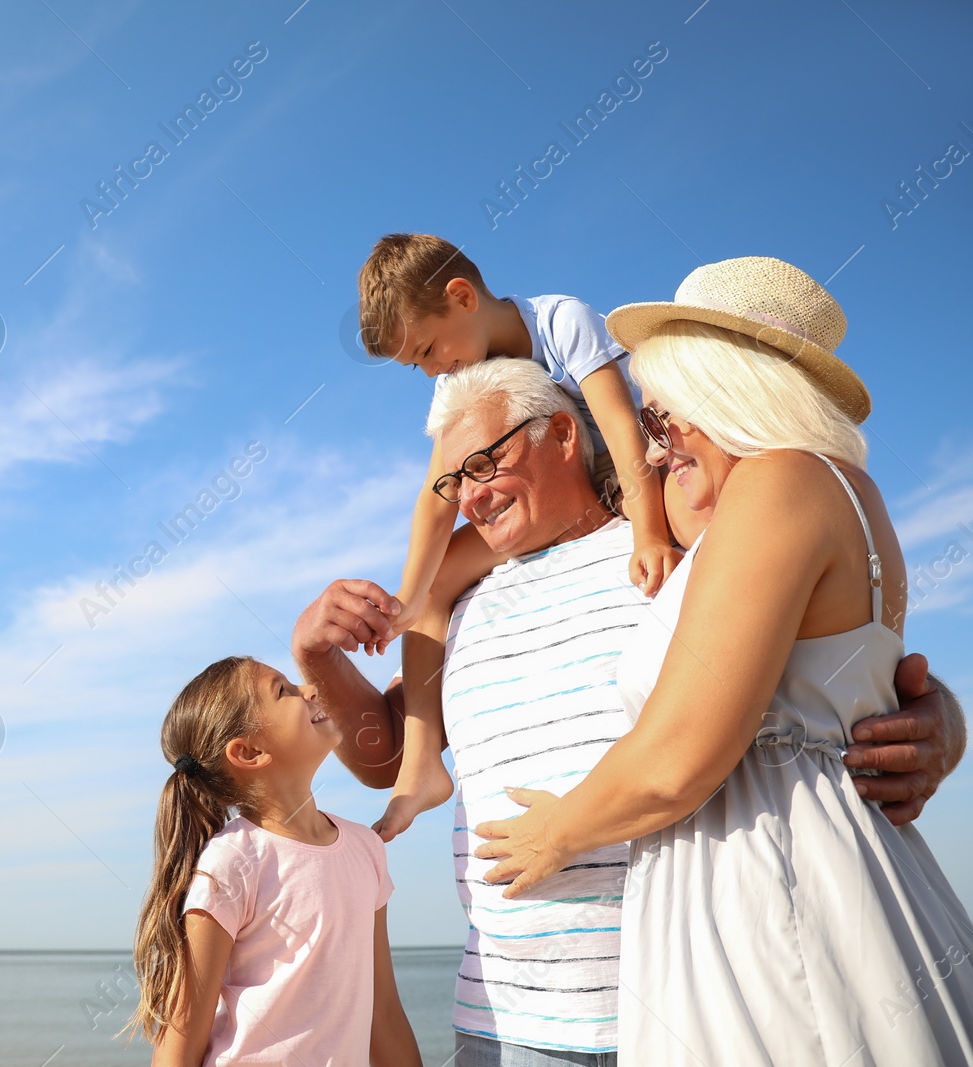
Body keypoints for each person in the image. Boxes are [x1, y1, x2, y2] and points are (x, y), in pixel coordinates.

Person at [290, 366, 966, 1064]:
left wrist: (935, 714)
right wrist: (315, 657)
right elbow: (385, 757)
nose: (471, 495)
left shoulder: (673, 554)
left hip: (685, 1002)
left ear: (560, 434)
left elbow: (833, 647)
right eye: (455, 480)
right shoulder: (457, 606)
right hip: (502, 1018)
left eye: (487, 463)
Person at [473, 257, 973, 1064]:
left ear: (726, 390)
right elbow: (860, 670)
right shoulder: (826, 493)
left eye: (666, 416)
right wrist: (945, 716)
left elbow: (679, 758)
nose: (656, 446)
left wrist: (552, 834)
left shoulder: (781, 483)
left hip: (766, 883)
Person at [356, 234, 681, 842]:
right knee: (435, 591)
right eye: (416, 365)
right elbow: (437, 500)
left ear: (461, 297)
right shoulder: (457, 375)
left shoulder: (562, 322)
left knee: (697, 514)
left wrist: (652, 534)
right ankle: (422, 762)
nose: (429, 369)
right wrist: (404, 600)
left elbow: (620, 430)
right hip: (549, 500)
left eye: (427, 349)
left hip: (633, 475)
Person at [128, 656, 420, 1067]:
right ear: (249, 752)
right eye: (284, 690)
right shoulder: (232, 863)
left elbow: (384, 1010)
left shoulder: (366, 848)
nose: (310, 690)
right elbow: (181, 1038)